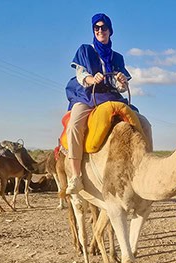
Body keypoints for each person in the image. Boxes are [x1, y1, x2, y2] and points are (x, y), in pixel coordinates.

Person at [65, 13, 133, 194]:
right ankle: (76, 176)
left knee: (140, 121)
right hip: (88, 95)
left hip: (111, 96)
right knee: (74, 125)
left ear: (110, 31)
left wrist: (121, 81)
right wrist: (91, 78)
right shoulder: (85, 51)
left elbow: (120, 87)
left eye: (103, 27)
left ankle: (136, 170)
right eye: (96, 28)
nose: (100, 31)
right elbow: (80, 75)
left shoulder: (117, 57)